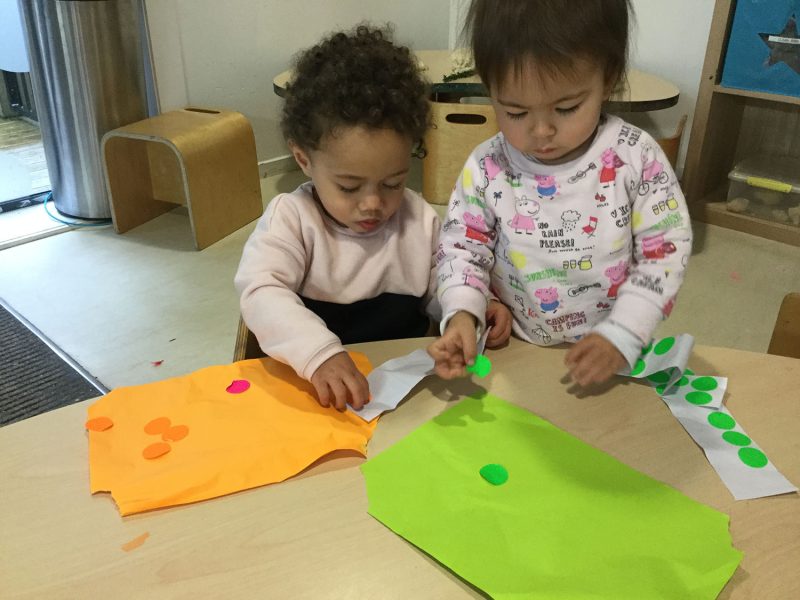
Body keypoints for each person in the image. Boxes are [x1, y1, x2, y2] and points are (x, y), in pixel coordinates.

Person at [236, 25, 507, 412]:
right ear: (303, 160)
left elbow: (446, 278)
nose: (373, 204)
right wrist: (320, 354)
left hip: (404, 396)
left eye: (393, 183)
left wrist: (467, 310)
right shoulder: (292, 220)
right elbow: (261, 293)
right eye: (349, 187)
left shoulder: (416, 218)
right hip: (317, 395)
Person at [428, 0, 692, 387]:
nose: (541, 131)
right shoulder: (487, 166)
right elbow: (461, 248)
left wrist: (625, 331)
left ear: (609, 78)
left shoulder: (636, 157)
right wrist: (464, 312)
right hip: (516, 345)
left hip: (613, 348)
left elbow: (665, 250)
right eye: (516, 112)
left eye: (566, 108)